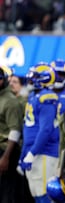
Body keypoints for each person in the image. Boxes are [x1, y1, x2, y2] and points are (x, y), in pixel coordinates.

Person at [20, 63, 60, 203]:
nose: (30, 79)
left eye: (35, 76)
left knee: (45, 194)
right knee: (37, 194)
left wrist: (32, 152)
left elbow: (46, 129)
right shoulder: (34, 96)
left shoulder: (47, 97)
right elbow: (28, 129)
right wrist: (24, 154)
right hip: (34, 151)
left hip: (45, 153)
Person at [0, 66, 25, 203]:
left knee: (6, 192)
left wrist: (6, 157)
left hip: (5, 149)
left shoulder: (10, 101)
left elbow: (15, 130)